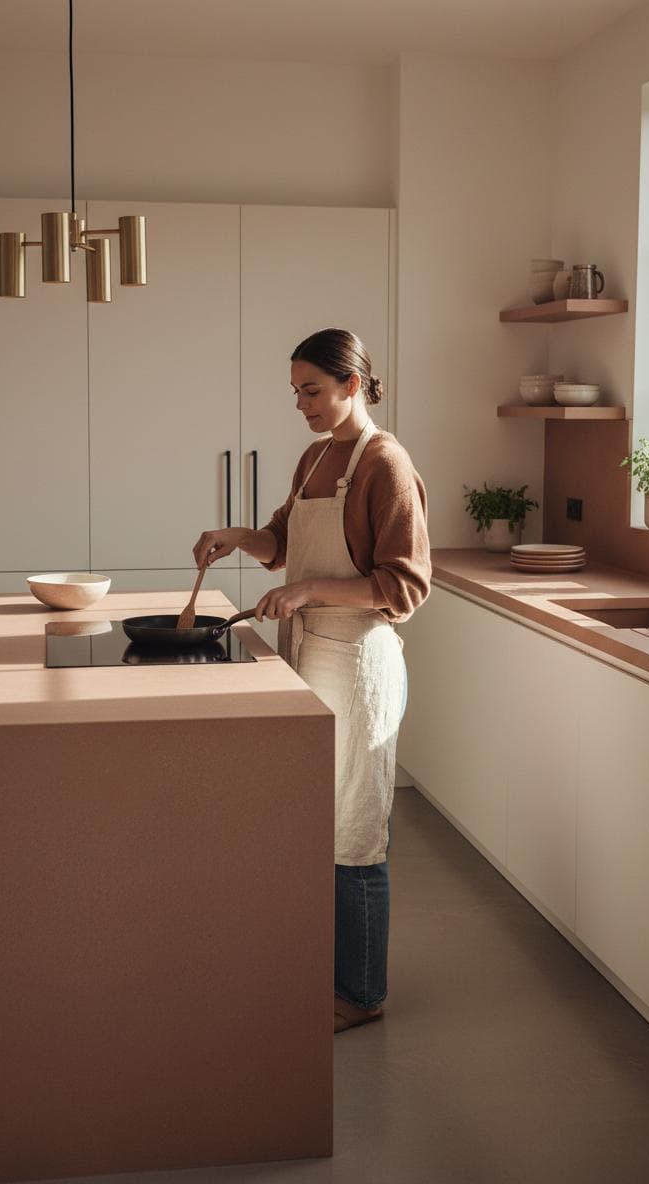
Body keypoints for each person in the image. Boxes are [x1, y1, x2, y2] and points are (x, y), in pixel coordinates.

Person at [193, 327, 430, 1033]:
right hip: (310, 657)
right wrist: (239, 535)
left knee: (354, 831)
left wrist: (310, 591)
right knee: (314, 822)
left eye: (313, 390)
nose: (301, 404)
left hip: (358, 664)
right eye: (296, 391)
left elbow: (406, 584)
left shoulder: (385, 463)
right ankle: (325, 971)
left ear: (353, 385)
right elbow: (284, 545)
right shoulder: (313, 458)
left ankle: (361, 995)